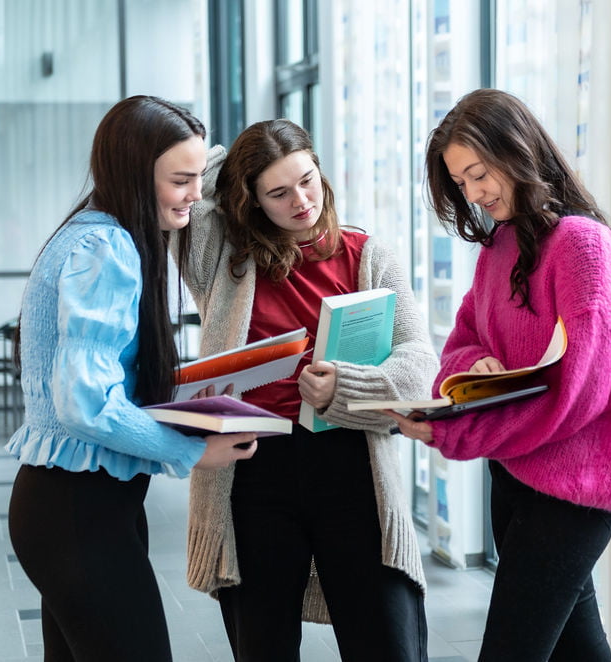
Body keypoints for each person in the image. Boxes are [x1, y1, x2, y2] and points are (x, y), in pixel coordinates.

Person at [386, 88, 611, 662]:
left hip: (572, 492)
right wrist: (473, 365)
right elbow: (461, 343)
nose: (475, 194)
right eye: (461, 183)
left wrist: (451, 431)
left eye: (480, 173)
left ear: (517, 150)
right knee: (580, 651)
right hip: (514, 474)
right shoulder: (499, 247)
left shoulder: (582, 245)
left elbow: (577, 392)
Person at [4, 95, 259, 662]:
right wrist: (191, 453)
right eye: (181, 180)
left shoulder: (87, 231)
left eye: (198, 177)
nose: (197, 193)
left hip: (68, 506)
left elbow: (204, 176)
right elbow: (86, 404)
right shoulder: (110, 247)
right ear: (133, 174)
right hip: (80, 512)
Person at [174, 118, 436, 661]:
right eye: (277, 191)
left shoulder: (369, 255)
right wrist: (241, 166)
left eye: (308, 180)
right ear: (248, 200)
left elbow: (419, 364)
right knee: (263, 644)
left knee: (388, 642)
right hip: (252, 471)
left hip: (354, 466)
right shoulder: (226, 261)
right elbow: (195, 192)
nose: (301, 201)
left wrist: (347, 386)